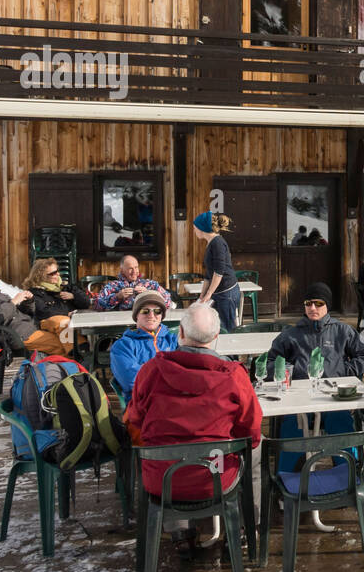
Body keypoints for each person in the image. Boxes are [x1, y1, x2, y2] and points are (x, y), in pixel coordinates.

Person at [127, 301, 261, 553]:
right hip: (215, 476)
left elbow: (135, 418)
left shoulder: (151, 371)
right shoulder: (234, 375)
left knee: (163, 450)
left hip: (163, 479)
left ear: (180, 332)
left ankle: (180, 533)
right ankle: (247, 527)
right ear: (217, 337)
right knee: (256, 448)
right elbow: (251, 429)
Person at [267, 282, 364, 381]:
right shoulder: (290, 334)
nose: (313, 308)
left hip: (336, 389)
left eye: (318, 303)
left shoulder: (343, 331)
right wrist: (291, 371)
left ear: (327, 305)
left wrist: (344, 370)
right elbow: (270, 362)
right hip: (301, 391)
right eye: (308, 303)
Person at [0, 261, 69, 356]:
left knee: (67, 331)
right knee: (63, 346)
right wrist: (13, 302)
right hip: (20, 336)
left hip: (31, 328)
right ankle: (69, 372)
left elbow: (16, 313)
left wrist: (27, 302)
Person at [109, 291, 179, 401]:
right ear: (136, 315)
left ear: (162, 315)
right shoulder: (123, 346)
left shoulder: (173, 341)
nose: (151, 315)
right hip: (143, 405)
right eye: (145, 311)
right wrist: (171, 376)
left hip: (175, 401)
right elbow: (132, 381)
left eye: (157, 311)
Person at [20, 258, 91, 344]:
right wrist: (67, 313)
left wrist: (74, 296)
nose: (58, 274)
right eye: (53, 273)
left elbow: (86, 302)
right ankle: (80, 349)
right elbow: (44, 312)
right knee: (64, 323)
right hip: (53, 330)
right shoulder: (35, 292)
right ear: (42, 276)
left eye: (57, 271)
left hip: (74, 326)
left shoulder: (65, 286)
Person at [192, 211, 240, 334]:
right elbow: (209, 274)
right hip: (219, 293)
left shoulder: (217, 243)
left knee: (228, 328)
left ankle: (232, 354)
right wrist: (202, 295)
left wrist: (209, 294)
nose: (194, 231)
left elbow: (219, 272)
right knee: (218, 327)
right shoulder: (211, 243)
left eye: (195, 227)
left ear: (202, 228)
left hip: (226, 293)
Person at [92, 255, 173, 312]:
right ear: (122, 270)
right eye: (130, 268)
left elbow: (168, 302)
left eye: (136, 267)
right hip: (121, 326)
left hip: (146, 325)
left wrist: (149, 294)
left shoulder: (150, 284)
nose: (134, 271)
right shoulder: (113, 286)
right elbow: (97, 305)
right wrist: (117, 297)